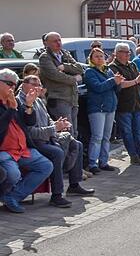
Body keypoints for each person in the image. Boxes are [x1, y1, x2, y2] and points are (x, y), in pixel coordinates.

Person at [18, 75, 94, 206]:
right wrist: (54, 128)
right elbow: (30, 133)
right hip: (32, 143)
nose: (37, 88)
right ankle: (56, 195)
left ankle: (74, 185)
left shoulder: (39, 101)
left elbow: (48, 120)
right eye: (33, 84)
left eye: (39, 85)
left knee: (77, 144)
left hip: (47, 137)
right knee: (56, 152)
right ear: (24, 84)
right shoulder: (21, 102)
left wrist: (58, 124)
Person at [0, 69, 53, 213]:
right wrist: (11, 109)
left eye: (14, 85)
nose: (12, 87)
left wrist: (29, 105)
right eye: (9, 84)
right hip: (4, 150)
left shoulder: (14, 101)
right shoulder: (9, 103)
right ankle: (5, 196)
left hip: (22, 149)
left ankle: (12, 197)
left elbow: (29, 122)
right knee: (13, 174)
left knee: (46, 166)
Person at [38, 32, 84, 143]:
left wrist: (64, 67)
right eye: (55, 41)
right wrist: (74, 79)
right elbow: (55, 75)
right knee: (67, 133)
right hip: (59, 98)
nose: (58, 43)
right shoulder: (45, 57)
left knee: (74, 132)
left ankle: (74, 158)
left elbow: (79, 68)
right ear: (47, 43)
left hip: (72, 98)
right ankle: (66, 159)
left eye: (59, 40)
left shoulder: (65, 54)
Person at [109, 43, 140, 165]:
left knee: (138, 131)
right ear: (117, 53)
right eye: (125, 52)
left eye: (129, 52)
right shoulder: (113, 67)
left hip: (136, 103)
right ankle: (133, 155)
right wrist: (137, 80)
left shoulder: (132, 65)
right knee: (127, 132)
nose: (128, 54)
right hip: (124, 105)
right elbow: (120, 84)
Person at [84, 48, 123, 174]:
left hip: (110, 107)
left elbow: (115, 89)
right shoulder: (90, 72)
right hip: (97, 108)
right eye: (96, 56)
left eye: (101, 56)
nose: (99, 59)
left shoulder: (108, 70)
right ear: (91, 59)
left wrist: (117, 83)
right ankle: (92, 163)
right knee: (97, 137)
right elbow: (98, 87)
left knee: (107, 137)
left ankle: (104, 161)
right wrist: (113, 81)